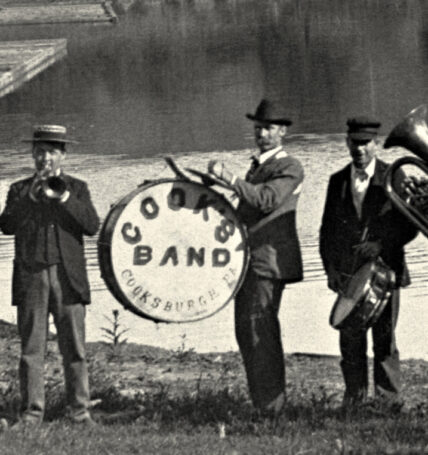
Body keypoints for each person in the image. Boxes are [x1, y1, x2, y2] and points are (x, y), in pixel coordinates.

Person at [207, 99, 304, 415]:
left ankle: (272, 409)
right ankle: (263, 405)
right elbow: (250, 206)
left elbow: (266, 200)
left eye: (269, 128)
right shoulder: (259, 166)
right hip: (249, 262)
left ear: (283, 132)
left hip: (268, 263)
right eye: (259, 127)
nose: (262, 133)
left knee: (261, 332)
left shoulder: (290, 166)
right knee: (247, 333)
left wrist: (232, 180)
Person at [0, 125, 99, 428]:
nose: (45, 158)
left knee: (75, 348)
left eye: (52, 152)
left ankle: (80, 412)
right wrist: (29, 198)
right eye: (40, 152)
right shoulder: (19, 189)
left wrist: (65, 197)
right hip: (32, 276)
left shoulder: (77, 187)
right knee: (31, 349)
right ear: (32, 154)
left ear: (62, 155)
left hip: (69, 277)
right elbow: (6, 226)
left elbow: (92, 225)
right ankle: (32, 414)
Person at [319, 117, 417, 407]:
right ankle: (355, 401)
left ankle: (389, 404)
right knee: (350, 342)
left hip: (387, 269)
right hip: (349, 271)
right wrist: (330, 270)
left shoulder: (394, 176)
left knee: (385, 340)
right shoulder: (337, 181)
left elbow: (410, 224)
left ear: (376, 143)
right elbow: (327, 231)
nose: (359, 149)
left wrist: (381, 244)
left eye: (365, 143)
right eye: (355, 142)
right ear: (347, 143)